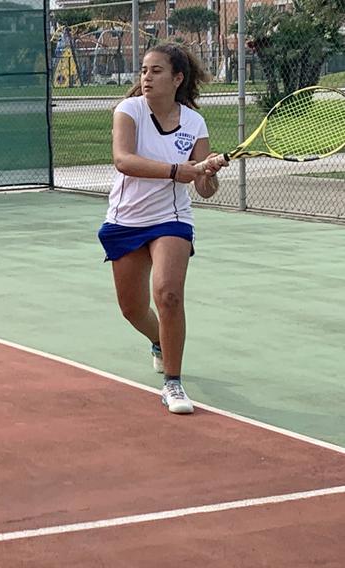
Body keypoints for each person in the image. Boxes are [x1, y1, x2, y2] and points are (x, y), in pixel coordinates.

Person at [98, 43, 227, 414]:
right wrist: (176, 170)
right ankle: (159, 341)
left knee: (168, 295)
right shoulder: (129, 110)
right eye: (143, 70)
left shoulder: (194, 122)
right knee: (132, 309)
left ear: (177, 78)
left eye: (156, 71)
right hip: (125, 220)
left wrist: (207, 171)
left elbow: (203, 188)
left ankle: (173, 383)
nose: (146, 77)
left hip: (171, 218)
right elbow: (123, 160)